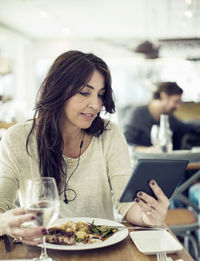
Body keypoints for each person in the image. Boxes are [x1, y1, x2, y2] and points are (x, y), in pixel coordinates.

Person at [0, 50, 169, 245]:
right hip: (41, 250)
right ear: (58, 89)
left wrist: (146, 216)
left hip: (99, 248)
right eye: (85, 92)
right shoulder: (18, 138)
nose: (96, 104)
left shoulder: (109, 134)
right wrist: (4, 222)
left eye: (101, 95)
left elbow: (126, 201)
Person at [123, 82, 200, 153]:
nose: (178, 107)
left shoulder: (169, 118)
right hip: (140, 162)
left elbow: (187, 126)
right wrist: (147, 150)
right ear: (164, 96)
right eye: (176, 102)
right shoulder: (137, 114)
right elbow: (125, 145)